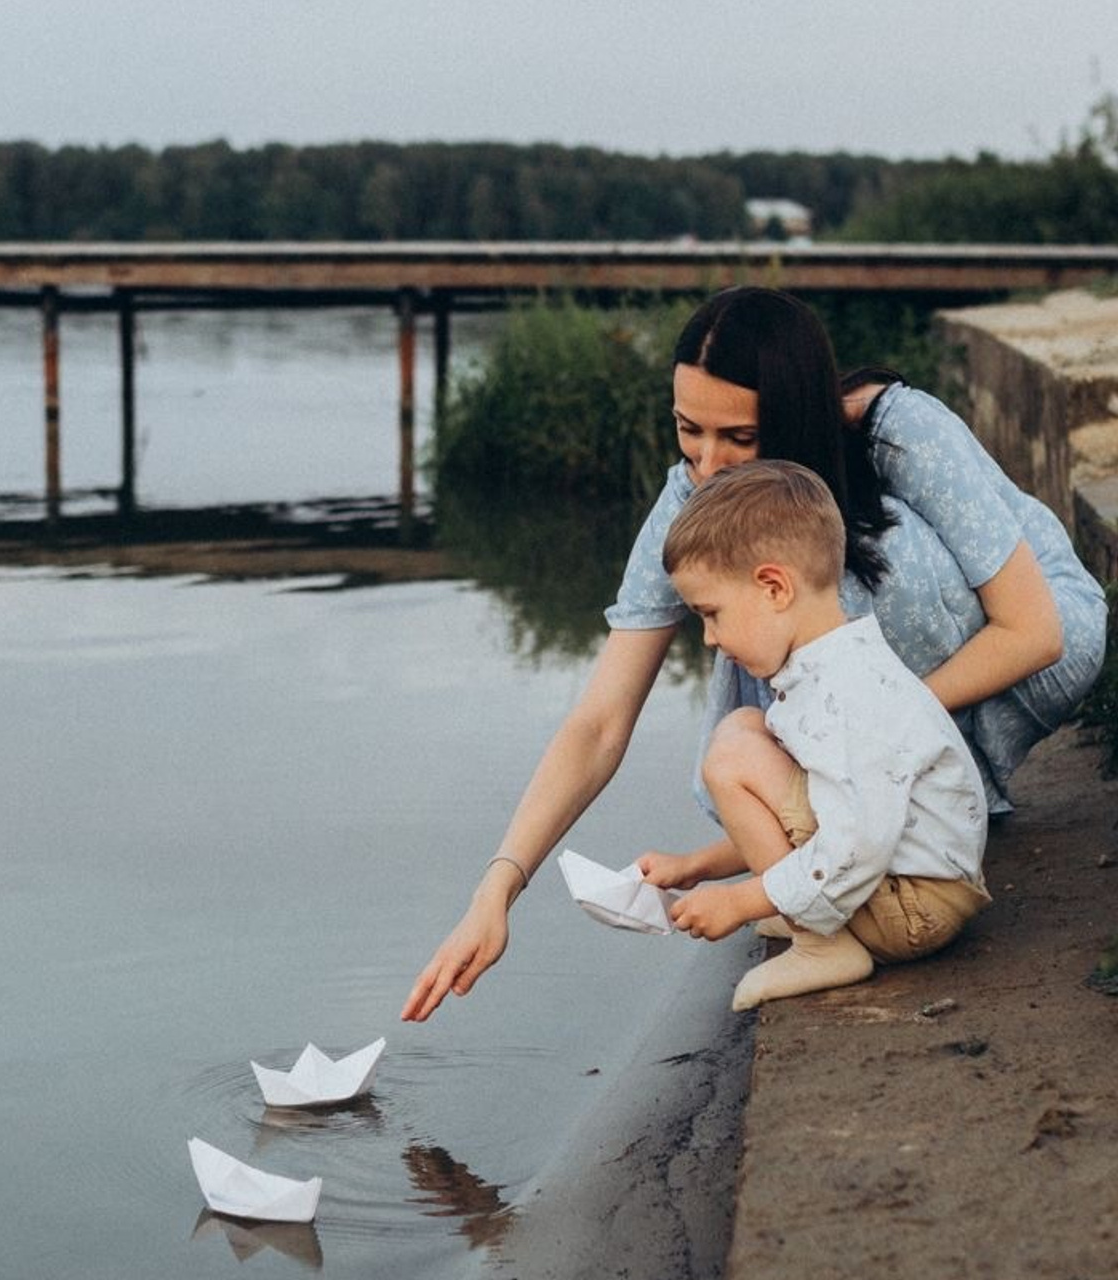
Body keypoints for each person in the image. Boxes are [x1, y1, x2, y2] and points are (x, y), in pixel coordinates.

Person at [400, 286, 1106, 1024]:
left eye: (740, 438)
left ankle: (850, 867)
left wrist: (881, 738)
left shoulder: (895, 427)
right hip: (884, 705)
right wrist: (498, 889)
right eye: (688, 431)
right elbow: (600, 722)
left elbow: (1036, 631)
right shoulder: (692, 495)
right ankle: (860, 847)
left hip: (1031, 640)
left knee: (839, 574)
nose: (710, 466)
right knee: (745, 644)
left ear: (796, 416)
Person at [637, 459, 989, 1010]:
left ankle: (821, 945)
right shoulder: (832, 666)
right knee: (746, 731)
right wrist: (694, 868)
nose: (708, 638)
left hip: (916, 908)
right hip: (902, 886)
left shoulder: (845, 698)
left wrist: (741, 901)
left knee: (731, 755)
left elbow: (856, 841)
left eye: (712, 613)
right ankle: (810, 916)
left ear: (774, 587)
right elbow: (814, 814)